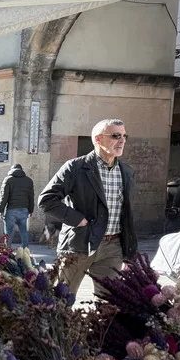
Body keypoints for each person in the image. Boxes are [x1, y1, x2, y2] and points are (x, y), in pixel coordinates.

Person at [39, 118, 137, 297]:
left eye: (125, 136)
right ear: (98, 139)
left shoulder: (127, 172)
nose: (122, 140)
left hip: (113, 247)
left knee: (110, 302)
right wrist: (78, 220)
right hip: (80, 243)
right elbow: (47, 200)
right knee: (62, 299)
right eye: (116, 136)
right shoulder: (75, 167)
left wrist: (129, 250)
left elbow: (127, 214)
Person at [0, 163, 34, 250]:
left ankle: (7, 251)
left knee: (9, 232)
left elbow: (4, 196)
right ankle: (25, 251)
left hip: (11, 209)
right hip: (24, 210)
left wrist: (1, 210)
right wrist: (31, 210)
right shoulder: (29, 181)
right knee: (24, 231)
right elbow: (31, 197)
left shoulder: (8, 180)